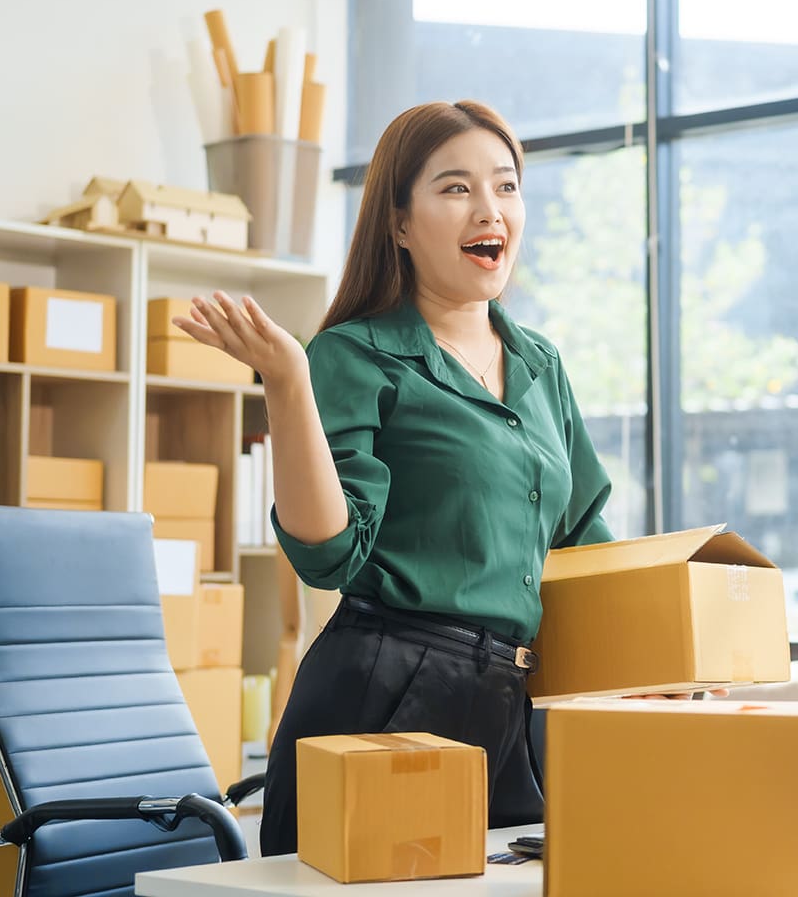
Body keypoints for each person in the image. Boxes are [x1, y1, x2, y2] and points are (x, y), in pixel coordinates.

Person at [174, 100, 617, 855]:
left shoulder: (541, 365)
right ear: (400, 223)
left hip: (511, 706)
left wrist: (665, 658)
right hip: (387, 692)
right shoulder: (353, 355)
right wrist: (287, 381)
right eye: (455, 188)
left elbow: (586, 544)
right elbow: (327, 554)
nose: (490, 209)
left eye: (506, 186)